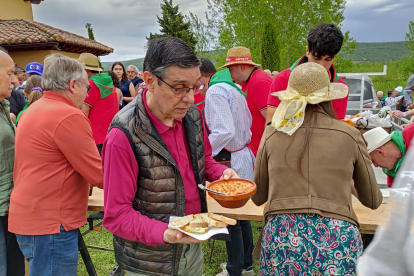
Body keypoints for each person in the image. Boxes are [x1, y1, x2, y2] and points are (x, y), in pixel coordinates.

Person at [102, 37, 239, 276]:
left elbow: (204, 159)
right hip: (149, 261)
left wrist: (220, 173)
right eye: (179, 88)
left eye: (195, 87)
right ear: (149, 81)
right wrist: (165, 232)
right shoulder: (123, 135)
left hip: (191, 246)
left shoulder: (192, 116)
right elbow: (117, 216)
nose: (190, 98)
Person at [253, 62, 383, 275]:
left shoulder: (272, 133)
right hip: (336, 240)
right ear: (328, 96)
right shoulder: (349, 135)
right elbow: (373, 200)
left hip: (283, 238)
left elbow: (258, 196)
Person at [8, 54, 103, 276]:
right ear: (72, 85)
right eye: (86, 88)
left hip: (33, 218)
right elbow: (98, 175)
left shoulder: (35, 108)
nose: (87, 94)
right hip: (51, 224)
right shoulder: (69, 115)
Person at [199, 58, 255, 276]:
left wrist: (201, 151)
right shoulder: (234, 88)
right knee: (242, 217)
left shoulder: (215, 91)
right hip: (240, 153)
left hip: (230, 159)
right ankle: (246, 265)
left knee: (232, 218)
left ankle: (235, 269)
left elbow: (224, 131)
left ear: (203, 75)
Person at [267, 23, 349, 123]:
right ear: (307, 50)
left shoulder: (340, 89)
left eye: (328, 59)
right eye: (316, 58)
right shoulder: (283, 78)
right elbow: (271, 123)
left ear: (335, 56)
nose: (321, 65)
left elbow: (337, 128)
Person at [219, 46, 273, 156]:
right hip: (255, 150)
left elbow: (271, 119)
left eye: (231, 70)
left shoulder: (259, 82)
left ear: (242, 67)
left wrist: (264, 152)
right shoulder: (248, 82)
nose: (230, 75)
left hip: (261, 151)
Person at [0, 48, 25, 276]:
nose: (15, 80)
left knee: (15, 269)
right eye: (9, 74)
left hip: (9, 204)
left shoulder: (4, 107)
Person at [79, 53, 119, 155]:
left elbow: (83, 112)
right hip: (110, 135)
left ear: (85, 71)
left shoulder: (92, 84)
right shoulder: (108, 83)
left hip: (96, 139)